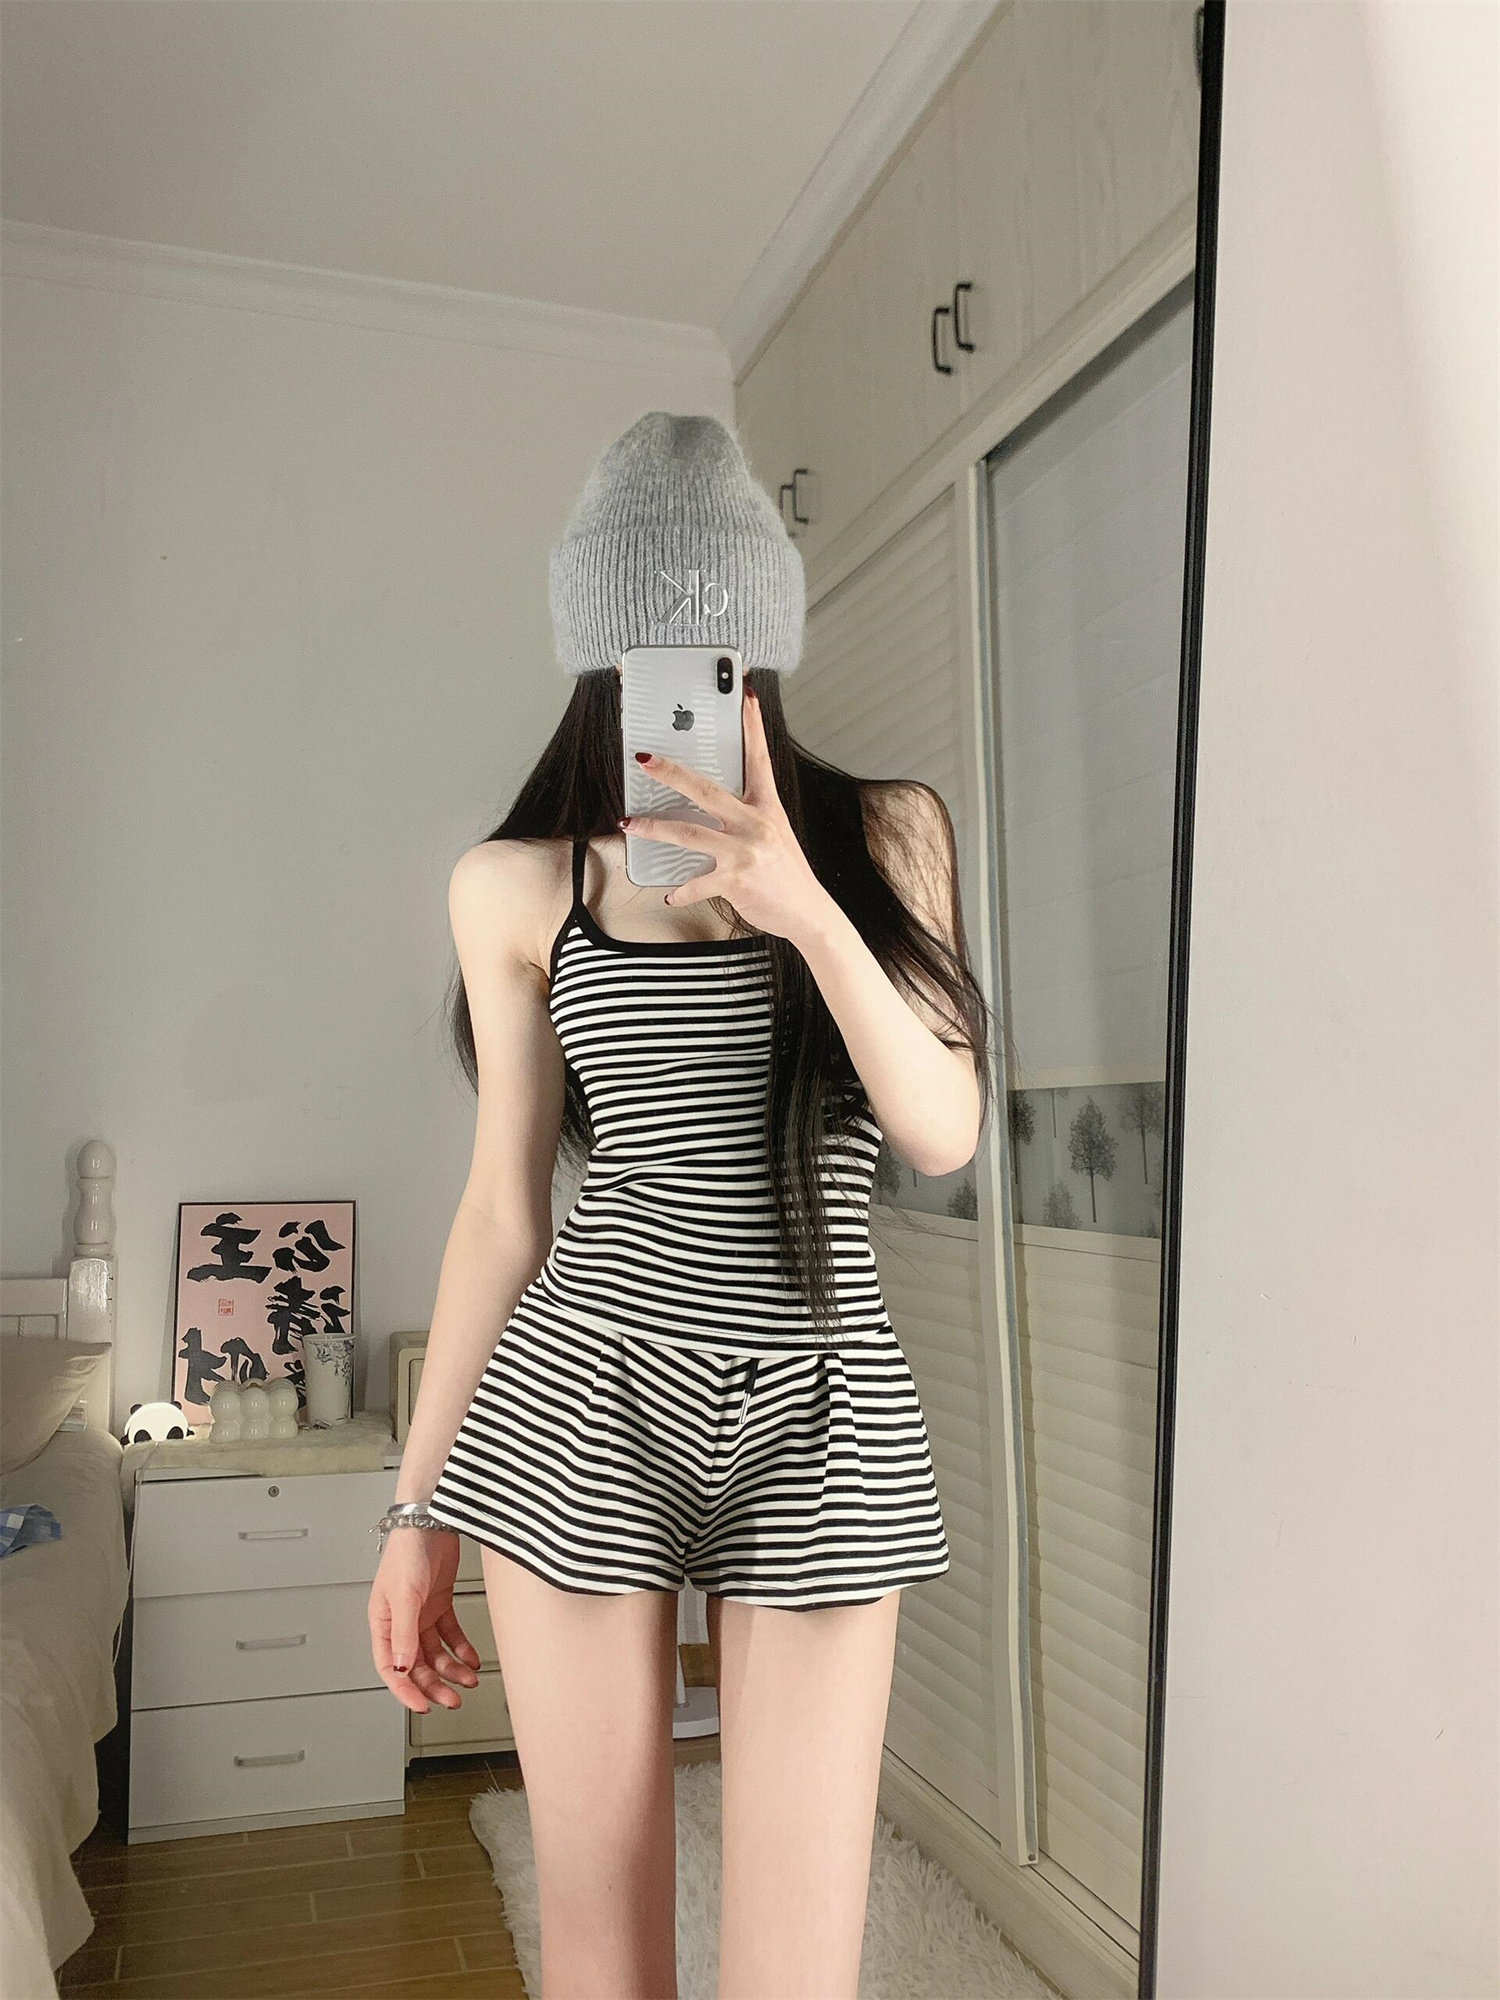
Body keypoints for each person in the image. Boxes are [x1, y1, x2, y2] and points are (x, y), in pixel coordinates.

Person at [367, 412, 993, 2000]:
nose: (691, 688)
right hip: (584, 1401)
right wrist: (416, 1512)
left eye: (720, 654)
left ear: (763, 649)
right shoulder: (514, 886)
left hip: (827, 1409)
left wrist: (801, 906)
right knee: (601, 1946)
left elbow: (941, 1135)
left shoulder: (890, 834)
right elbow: (503, 1213)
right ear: (601, 662)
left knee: (799, 1962)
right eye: (655, 656)